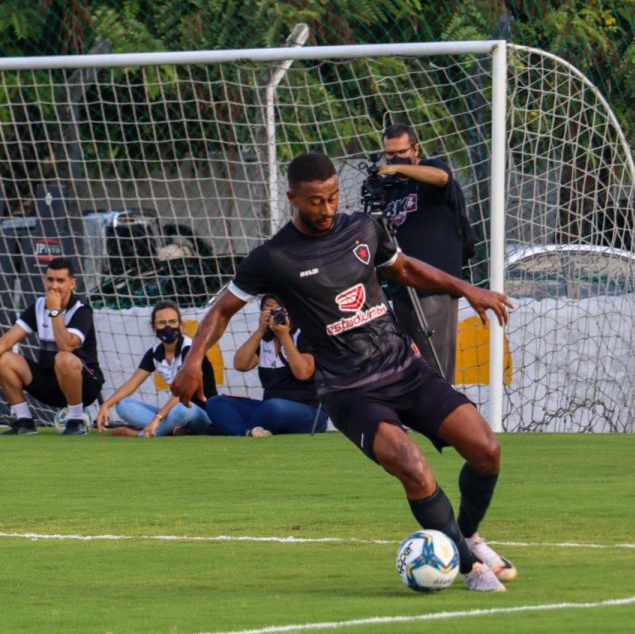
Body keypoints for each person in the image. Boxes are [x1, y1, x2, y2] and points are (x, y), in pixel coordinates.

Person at [172, 152, 516, 592]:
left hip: (405, 369)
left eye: (333, 197)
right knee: (412, 466)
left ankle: (463, 535)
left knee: (486, 449)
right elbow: (222, 310)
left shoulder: (364, 229)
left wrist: (466, 287)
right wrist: (191, 362)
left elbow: (406, 268)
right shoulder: (273, 257)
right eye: (315, 201)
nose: (327, 209)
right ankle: (470, 568)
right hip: (350, 391)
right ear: (294, 197)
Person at [376, 123, 473, 383]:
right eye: (389, 154)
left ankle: (444, 418)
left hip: (434, 284)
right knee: (408, 362)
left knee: (435, 365)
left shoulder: (431, 169)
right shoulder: (391, 188)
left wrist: (398, 167)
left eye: (401, 152)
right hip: (401, 283)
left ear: (415, 148)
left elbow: (442, 178)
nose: (394, 158)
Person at [0, 257, 104, 436]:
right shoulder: (39, 306)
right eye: (50, 279)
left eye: (60, 281)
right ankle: (24, 421)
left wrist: (55, 311)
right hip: (49, 385)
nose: (54, 286)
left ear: (72, 283)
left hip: (85, 386)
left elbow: (66, 346)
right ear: (44, 280)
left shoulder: (81, 310)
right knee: (4, 359)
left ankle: (76, 420)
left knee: (63, 357)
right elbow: (7, 341)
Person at [204, 293, 327, 437]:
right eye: (268, 308)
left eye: (279, 309)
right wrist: (260, 330)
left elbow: (303, 373)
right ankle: (248, 432)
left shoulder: (303, 336)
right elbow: (240, 364)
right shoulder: (264, 340)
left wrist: (284, 336)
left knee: (274, 408)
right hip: (268, 409)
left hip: (306, 411)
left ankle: (231, 428)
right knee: (216, 402)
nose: (275, 314)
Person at [96, 300, 215, 438]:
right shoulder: (154, 353)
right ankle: (172, 429)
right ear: (154, 327)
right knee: (123, 405)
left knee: (180, 410)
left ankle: (138, 433)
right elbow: (132, 384)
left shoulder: (190, 350)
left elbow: (181, 396)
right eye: (162, 323)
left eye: (172, 322)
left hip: (199, 411)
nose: (168, 327)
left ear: (180, 324)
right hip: (172, 412)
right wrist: (105, 405)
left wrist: (157, 418)